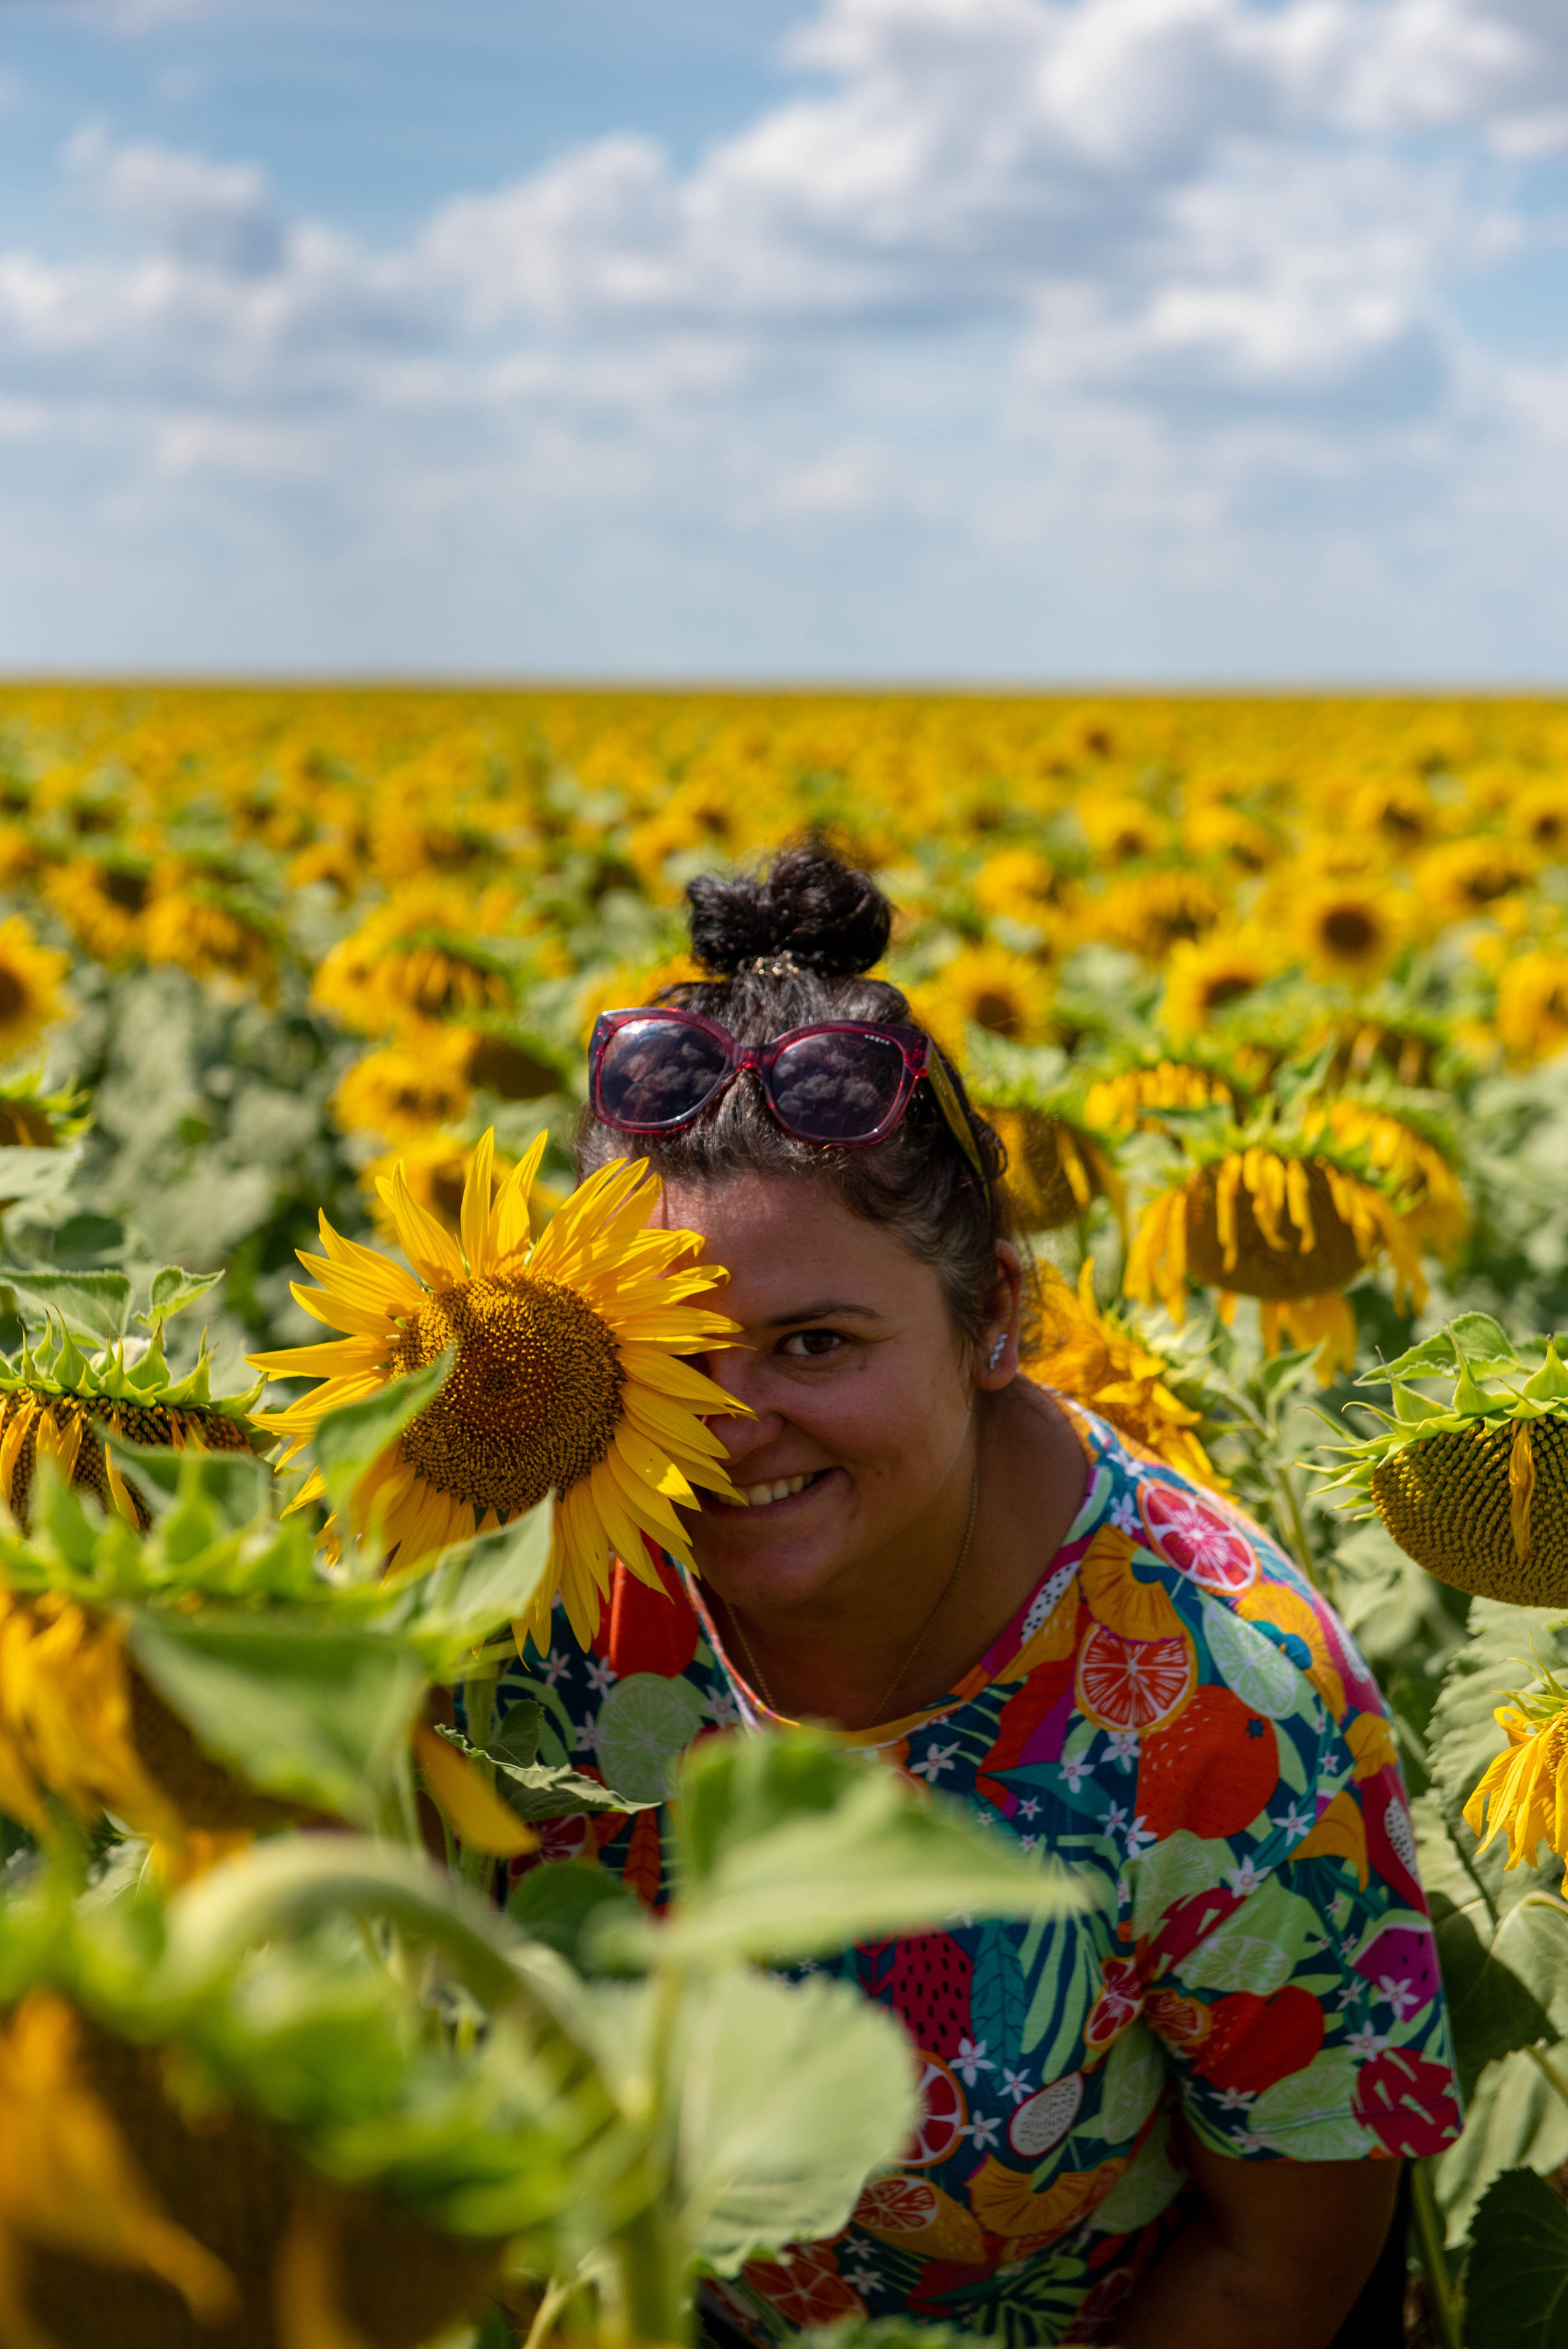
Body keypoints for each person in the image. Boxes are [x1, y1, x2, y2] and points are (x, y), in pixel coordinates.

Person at [494, 844, 1460, 2347]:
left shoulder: (1225, 1706)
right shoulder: (525, 1578)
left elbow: (1283, 2263)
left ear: (994, 1314)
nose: (726, 1424)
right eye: (668, 1354)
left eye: (813, 1345)